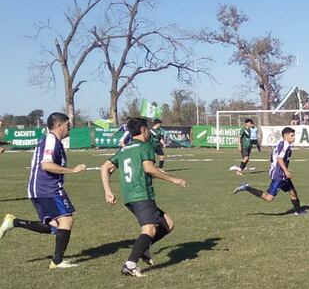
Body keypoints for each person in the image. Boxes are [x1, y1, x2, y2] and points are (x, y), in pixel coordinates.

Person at [100, 117, 187, 277]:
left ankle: (143, 248)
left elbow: (105, 167)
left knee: (168, 224)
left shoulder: (125, 149)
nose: (149, 133)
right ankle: (130, 264)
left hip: (129, 196)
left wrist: (108, 191)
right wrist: (173, 179)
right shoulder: (144, 146)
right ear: (143, 130)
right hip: (141, 194)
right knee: (149, 229)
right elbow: (149, 169)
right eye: (147, 129)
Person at [0, 112, 86, 268]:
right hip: (47, 188)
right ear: (59, 125)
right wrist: (73, 170)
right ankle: (57, 262)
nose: (70, 127)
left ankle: (14, 222)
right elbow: (46, 165)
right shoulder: (51, 140)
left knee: (54, 226)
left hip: (39, 188)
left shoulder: (50, 140)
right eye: (68, 124)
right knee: (66, 220)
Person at [233, 127, 305, 215]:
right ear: (285, 136)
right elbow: (279, 159)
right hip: (279, 175)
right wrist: (286, 171)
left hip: (279, 173)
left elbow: (273, 157)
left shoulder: (281, 143)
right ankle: (246, 187)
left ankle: (298, 211)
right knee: (268, 198)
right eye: (292, 135)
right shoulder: (285, 145)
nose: (294, 137)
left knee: (292, 191)